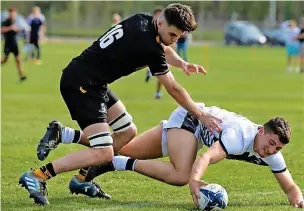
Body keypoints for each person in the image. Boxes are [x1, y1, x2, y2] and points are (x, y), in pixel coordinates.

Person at [19, 3, 222, 205]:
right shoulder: (149, 46)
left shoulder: (143, 20)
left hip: (94, 82)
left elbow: (162, 48)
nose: (174, 41)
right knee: (104, 151)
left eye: (178, 37)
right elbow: (173, 88)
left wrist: (183, 64)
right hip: (82, 84)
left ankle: (80, 176)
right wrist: (200, 114)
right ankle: (38, 175)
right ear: (160, 22)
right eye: (172, 35)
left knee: (127, 132)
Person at [81, 102, 304, 209]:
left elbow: (290, 187)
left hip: (195, 131)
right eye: (271, 143)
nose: (271, 150)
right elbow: (206, 157)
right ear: (261, 131)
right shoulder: (239, 136)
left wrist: (298, 200)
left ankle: (67, 135)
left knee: (123, 146)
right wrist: (195, 182)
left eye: (277, 148)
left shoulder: (271, 154)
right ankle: (117, 163)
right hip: (192, 119)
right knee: (181, 176)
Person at [144, 7, 165, 99]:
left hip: (164, 53)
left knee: (163, 75)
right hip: (155, 53)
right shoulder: (150, 28)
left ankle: (157, 92)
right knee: (163, 74)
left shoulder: (165, 27)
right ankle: (150, 71)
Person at [1, 8, 26, 82]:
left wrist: (17, 29)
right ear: (9, 13)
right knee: (5, 60)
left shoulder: (15, 21)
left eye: (14, 13)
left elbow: (19, 30)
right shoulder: (5, 22)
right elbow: (2, 30)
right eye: (11, 13)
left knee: (18, 60)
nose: (13, 14)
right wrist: (10, 28)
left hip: (15, 44)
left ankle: (22, 76)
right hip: (7, 44)